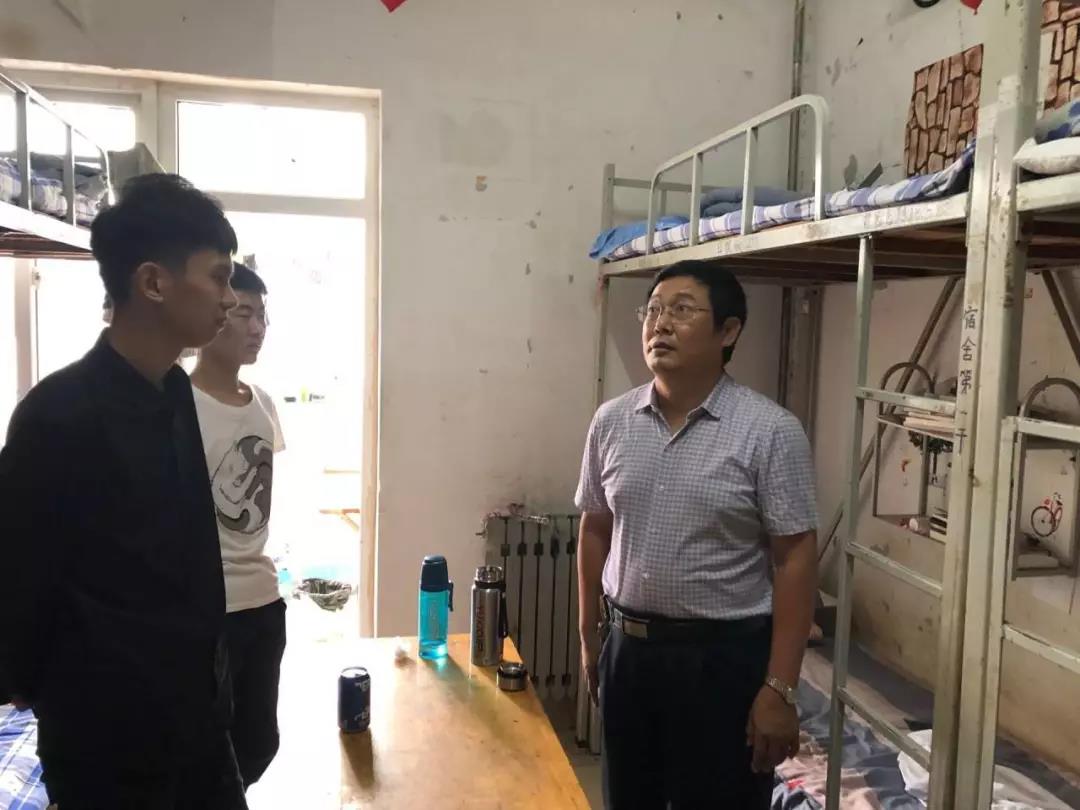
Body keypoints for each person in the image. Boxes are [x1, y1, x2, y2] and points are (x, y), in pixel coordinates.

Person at [0, 174, 247, 810]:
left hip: (196, 719)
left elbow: (191, 549)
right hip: (108, 741)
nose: (229, 299)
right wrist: (34, 685)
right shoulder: (57, 415)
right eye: (219, 276)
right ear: (153, 283)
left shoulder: (175, 391)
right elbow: (19, 576)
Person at [575, 259, 819, 809]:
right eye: (652, 310)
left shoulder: (770, 431)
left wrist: (779, 687)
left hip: (723, 662)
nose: (659, 324)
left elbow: (795, 559)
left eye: (682, 310)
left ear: (728, 331)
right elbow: (595, 528)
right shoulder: (611, 422)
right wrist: (590, 636)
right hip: (629, 654)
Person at [190, 263, 286, 790]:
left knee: (260, 741)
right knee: (211, 749)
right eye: (244, 313)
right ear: (216, 313)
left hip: (263, 599)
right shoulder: (179, 404)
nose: (257, 328)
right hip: (209, 608)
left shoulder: (263, 403)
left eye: (263, 316)